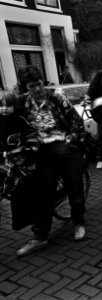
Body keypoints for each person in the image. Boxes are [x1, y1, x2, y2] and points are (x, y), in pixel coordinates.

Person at [16, 65, 86, 257]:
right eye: (31, 86)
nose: (37, 89)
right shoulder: (21, 103)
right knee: (42, 193)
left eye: (39, 84)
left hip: (64, 146)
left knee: (74, 186)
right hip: (41, 151)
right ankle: (40, 236)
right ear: (25, 88)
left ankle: (78, 222)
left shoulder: (57, 97)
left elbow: (76, 121)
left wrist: (71, 140)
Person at [0, 91, 39, 229]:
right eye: (1, 106)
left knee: (22, 186)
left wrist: (28, 147)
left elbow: (30, 134)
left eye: (8, 106)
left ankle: (33, 218)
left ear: (14, 106)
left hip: (22, 157)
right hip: (7, 156)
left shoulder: (20, 119)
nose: (4, 109)